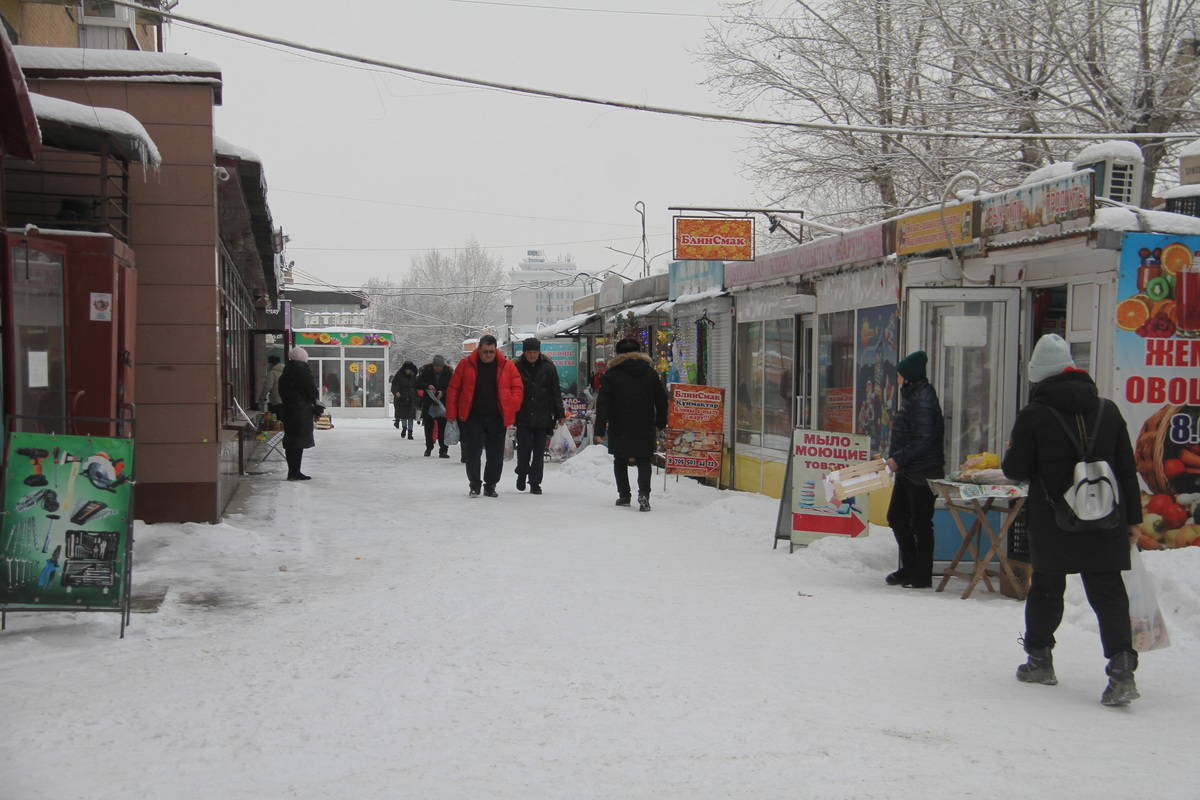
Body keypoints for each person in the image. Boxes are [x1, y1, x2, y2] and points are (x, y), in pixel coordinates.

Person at [1001, 333, 1143, 707]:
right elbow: (1127, 470)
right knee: (1109, 593)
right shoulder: (1108, 411)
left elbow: (1015, 470)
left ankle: (1039, 660)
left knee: (1047, 589)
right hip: (1106, 517)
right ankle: (1122, 672)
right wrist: (1134, 519)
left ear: (1040, 377)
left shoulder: (1034, 416)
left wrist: (1014, 452)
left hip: (1054, 520)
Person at [884, 350, 944, 588]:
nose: (897, 379)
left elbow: (924, 439)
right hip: (909, 469)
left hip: (922, 472)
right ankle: (909, 568)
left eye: (899, 375)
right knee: (897, 517)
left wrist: (898, 459)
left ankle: (922, 574)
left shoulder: (923, 400)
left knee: (920, 523)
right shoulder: (913, 396)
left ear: (908, 377)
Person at [593, 337, 667, 512]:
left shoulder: (611, 374)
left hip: (620, 424)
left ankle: (624, 495)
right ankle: (644, 495)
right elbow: (661, 399)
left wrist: (600, 428)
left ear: (618, 354)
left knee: (620, 460)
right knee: (643, 460)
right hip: (644, 423)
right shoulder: (650, 373)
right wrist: (661, 422)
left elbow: (603, 403)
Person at [446, 334, 523, 497]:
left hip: (497, 417)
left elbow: (517, 387)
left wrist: (512, 405)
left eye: (491, 352)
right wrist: (452, 413)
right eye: (485, 351)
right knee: (473, 452)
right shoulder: (466, 365)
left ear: (496, 351)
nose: (488, 355)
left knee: (495, 454)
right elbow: (454, 389)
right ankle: (474, 484)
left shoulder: (506, 366)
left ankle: (491, 485)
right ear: (479, 350)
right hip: (473, 416)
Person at [514, 337, 565, 495]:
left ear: (539, 351)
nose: (532, 355)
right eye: (529, 352)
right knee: (523, 449)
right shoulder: (515, 367)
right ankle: (522, 473)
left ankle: (535, 482)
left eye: (535, 352)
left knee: (538, 451)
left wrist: (560, 413)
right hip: (522, 414)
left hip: (543, 414)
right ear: (524, 352)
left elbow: (555, 391)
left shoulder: (548, 367)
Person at [277, 346, 321, 481]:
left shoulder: (287, 371)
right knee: (298, 442)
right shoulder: (302, 371)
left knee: (292, 441)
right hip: (300, 411)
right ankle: (295, 472)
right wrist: (317, 407)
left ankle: (293, 471)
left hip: (289, 411)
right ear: (303, 359)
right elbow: (311, 391)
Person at [417, 355, 452, 457]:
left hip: (442, 404)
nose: (438, 368)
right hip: (429, 402)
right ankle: (429, 447)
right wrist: (427, 386)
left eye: (440, 366)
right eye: (436, 366)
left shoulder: (448, 372)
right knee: (428, 428)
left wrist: (443, 392)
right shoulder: (426, 371)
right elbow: (418, 383)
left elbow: (452, 386)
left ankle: (443, 450)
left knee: (443, 428)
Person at [391, 361, 419, 438]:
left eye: (409, 370)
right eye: (407, 370)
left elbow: (417, 386)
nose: (408, 371)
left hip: (411, 397)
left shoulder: (413, 376)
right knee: (403, 415)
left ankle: (410, 433)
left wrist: (417, 394)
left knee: (410, 416)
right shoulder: (399, 375)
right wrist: (396, 392)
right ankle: (404, 428)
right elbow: (394, 384)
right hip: (401, 397)